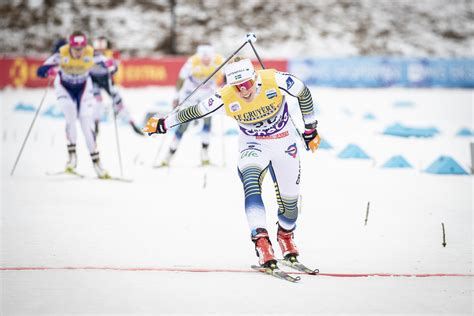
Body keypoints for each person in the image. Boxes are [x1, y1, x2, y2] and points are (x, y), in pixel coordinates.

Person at [144, 57, 320, 269]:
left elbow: (303, 92)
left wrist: (310, 128)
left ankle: (285, 234)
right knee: (251, 184)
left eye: (246, 84)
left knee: (290, 206)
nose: (243, 91)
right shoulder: (225, 96)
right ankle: (262, 242)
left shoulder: (273, 79)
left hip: (284, 145)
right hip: (253, 146)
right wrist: (164, 123)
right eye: (236, 87)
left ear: (254, 78)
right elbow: (194, 111)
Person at [37, 31, 112, 179]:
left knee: (85, 122)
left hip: (83, 88)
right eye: (76, 49)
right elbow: (40, 70)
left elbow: (109, 63)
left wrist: (111, 66)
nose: (79, 52)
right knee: (70, 114)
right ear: (70, 46)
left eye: (82, 48)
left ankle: (98, 164)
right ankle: (72, 158)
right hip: (65, 87)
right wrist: (49, 71)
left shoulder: (90, 53)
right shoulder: (61, 54)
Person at [158, 44, 224, 166]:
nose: (206, 60)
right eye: (203, 58)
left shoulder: (219, 60)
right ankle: (168, 156)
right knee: (184, 123)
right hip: (190, 94)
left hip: (207, 94)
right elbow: (181, 79)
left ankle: (205, 155)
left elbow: (228, 74)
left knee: (208, 122)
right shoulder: (192, 62)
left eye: (208, 58)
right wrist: (176, 96)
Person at [90, 36, 143, 136]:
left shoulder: (110, 54)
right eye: (98, 44)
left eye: (103, 44)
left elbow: (116, 67)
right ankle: (96, 124)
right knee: (98, 101)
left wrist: (112, 67)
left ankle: (132, 124)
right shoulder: (90, 53)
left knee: (118, 101)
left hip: (106, 80)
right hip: (94, 80)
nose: (100, 47)